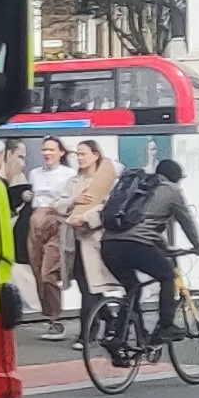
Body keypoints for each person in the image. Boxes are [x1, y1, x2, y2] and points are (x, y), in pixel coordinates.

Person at [96, 154, 199, 353]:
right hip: (136, 246)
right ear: (176, 178)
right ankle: (165, 326)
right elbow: (186, 221)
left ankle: (121, 338)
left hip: (109, 245)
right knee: (167, 275)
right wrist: (197, 246)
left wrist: (162, 246)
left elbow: (144, 226)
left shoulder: (138, 187)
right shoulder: (171, 190)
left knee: (132, 287)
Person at [21, 138, 81, 310]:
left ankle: (56, 315)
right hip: (35, 220)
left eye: (51, 150)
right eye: (44, 150)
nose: (47, 153)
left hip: (57, 219)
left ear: (61, 152)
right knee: (37, 270)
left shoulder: (69, 174)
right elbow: (32, 195)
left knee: (48, 271)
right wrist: (26, 195)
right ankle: (49, 315)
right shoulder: (34, 173)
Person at [59, 138, 114, 322]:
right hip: (73, 241)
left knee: (91, 287)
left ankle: (87, 334)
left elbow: (108, 207)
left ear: (95, 155)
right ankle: (111, 320)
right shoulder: (74, 181)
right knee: (86, 286)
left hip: (94, 240)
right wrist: (75, 201)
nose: (79, 158)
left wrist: (85, 217)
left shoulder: (107, 180)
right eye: (77, 154)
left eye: (83, 154)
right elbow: (57, 204)